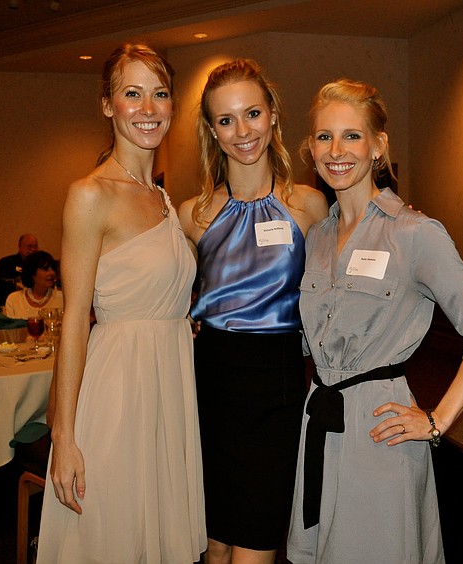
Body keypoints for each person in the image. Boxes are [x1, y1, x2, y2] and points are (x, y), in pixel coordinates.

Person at [285, 79, 463, 563]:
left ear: (378, 145)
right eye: (324, 137)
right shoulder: (317, 238)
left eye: (352, 135)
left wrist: (438, 420)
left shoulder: (413, 234)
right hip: (319, 420)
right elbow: (310, 340)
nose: (336, 151)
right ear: (310, 147)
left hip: (379, 429)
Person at [37, 44, 206, 563]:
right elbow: (73, 324)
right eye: (132, 94)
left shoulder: (163, 199)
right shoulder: (90, 194)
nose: (148, 108)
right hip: (117, 394)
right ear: (107, 105)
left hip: (170, 392)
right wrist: (64, 438)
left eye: (159, 94)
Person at [179, 59, 328, 564]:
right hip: (208, 389)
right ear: (211, 131)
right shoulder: (191, 215)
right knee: (213, 546)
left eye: (252, 113)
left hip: (277, 390)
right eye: (225, 120)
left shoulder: (309, 206)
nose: (242, 131)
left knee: (255, 548)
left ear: (273, 117)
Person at [4, 251, 64, 319]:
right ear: (32, 274)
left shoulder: (62, 299)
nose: (52, 273)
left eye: (53, 269)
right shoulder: (14, 300)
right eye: (46, 269)